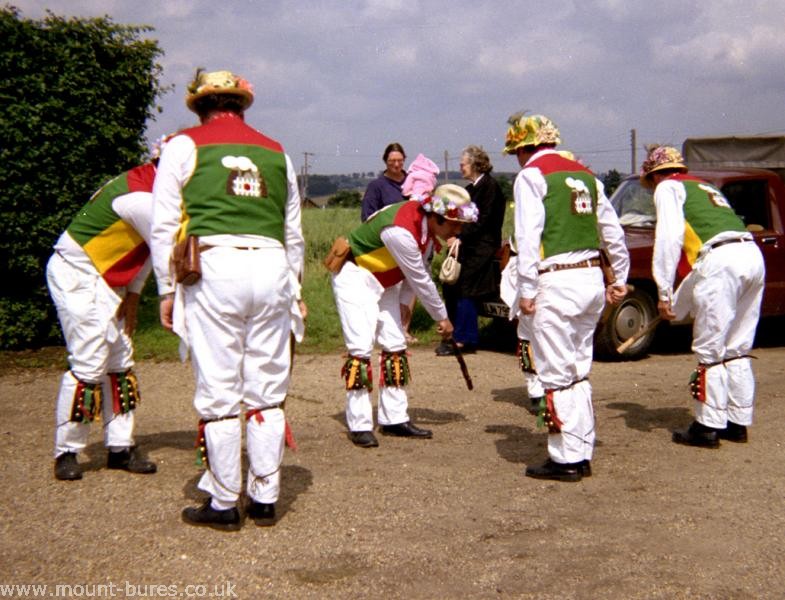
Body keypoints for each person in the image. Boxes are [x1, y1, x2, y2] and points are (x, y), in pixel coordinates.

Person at [151, 69, 306, 530]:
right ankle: (264, 496)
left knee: (220, 391)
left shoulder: (182, 145)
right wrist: (294, 289)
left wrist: (166, 287)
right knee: (266, 390)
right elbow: (293, 231)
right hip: (272, 265)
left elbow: (163, 226)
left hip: (215, 268)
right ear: (242, 106)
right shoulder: (276, 151)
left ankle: (223, 501)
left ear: (199, 106)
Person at [503, 112, 629, 482]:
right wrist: (618, 275)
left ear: (524, 148)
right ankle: (581, 448)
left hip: (556, 281)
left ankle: (566, 458)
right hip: (590, 278)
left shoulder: (531, 176)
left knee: (556, 372)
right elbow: (611, 230)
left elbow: (527, 237)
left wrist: (526, 289)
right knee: (578, 367)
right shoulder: (587, 176)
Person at [331, 180, 478, 448]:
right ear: (437, 218)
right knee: (361, 348)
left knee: (395, 344)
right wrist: (442, 317)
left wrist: (404, 304)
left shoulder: (427, 233)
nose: (458, 230)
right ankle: (359, 424)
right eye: (455, 224)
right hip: (356, 277)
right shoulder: (401, 230)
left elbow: (414, 276)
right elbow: (420, 277)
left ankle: (394, 418)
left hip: (385, 281)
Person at [641, 145, 765, 448]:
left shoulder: (667, 187)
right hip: (750, 253)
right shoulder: (702, 185)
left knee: (710, 348)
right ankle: (737, 422)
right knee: (737, 346)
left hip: (720, 260)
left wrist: (663, 292)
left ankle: (707, 426)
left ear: (655, 175)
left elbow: (669, 239)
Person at [46, 162, 159, 481]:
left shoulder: (148, 186)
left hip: (108, 279)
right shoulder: (143, 198)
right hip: (80, 274)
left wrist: (133, 298)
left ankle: (120, 447)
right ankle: (67, 451)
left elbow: (149, 250)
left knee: (120, 361)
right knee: (89, 362)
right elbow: (166, 249)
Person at [436, 145, 506, 356]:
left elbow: (482, 220)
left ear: (475, 164)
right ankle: (454, 333)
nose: (461, 167)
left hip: (483, 245)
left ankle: (464, 339)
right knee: (451, 283)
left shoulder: (490, 187)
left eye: (463, 164)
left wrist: (461, 237)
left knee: (466, 284)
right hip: (469, 243)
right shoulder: (472, 188)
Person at [360, 142, 407, 222]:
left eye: (400, 160)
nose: (396, 164)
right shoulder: (375, 186)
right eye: (392, 161)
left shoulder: (415, 182)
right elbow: (367, 217)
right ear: (385, 161)